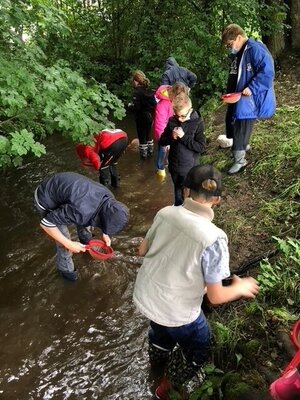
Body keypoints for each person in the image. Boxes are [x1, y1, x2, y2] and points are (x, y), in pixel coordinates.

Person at [133, 164, 259, 399]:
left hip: (147, 298)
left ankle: (156, 360)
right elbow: (215, 296)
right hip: (178, 311)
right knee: (201, 346)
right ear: (217, 200)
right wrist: (240, 286)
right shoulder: (214, 238)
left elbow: (142, 250)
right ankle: (165, 389)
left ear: (185, 191)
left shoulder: (165, 213)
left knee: (161, 332)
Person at [34, 172, 129, 281]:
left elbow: (96, 214)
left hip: (70, 191)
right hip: (45, 198)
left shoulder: (109, 198)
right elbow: (46, 223)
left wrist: (106, 233)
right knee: (64, 241)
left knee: (85, 219)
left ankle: (85, 241)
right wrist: (69, 244)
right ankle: (67, 273)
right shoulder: (81, 211)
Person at [221, 24, 276, 175]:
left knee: (242, 125)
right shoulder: (239, 53)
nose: (229, 48)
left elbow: (268, 72)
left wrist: (252, 88)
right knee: (232, 122)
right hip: (237, 96)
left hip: (248, 98)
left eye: (230, 44)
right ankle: (240, 148)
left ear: (239, 37)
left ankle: (240, 160)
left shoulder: (255, 49)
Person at [159, 94, 206, 206]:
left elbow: (201, 147)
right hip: (174, 165)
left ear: (190, 110)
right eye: (177, 115)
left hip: (190, 168)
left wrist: (183, 137)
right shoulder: (172, 120)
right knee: (177, 192)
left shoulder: (198, 122)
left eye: (183, 116)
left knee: (189, 197)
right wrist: (172, 137)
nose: (180, 119)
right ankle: (177, 210)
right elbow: (162, 141)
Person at [153, 83, 189, 180]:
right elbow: (159, 124)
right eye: (180, 97)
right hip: (163, 134)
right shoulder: (163, 105)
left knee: (172, 151)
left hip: (173, 130)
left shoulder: (175, 101)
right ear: (174, 94)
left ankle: (169, 165)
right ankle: (160, 170)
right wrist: (164, 140)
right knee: (162, 152)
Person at [131, 70, 156, 159]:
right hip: (150, 116)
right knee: (149, 135)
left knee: (142, 137)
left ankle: (143, 158)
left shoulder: (137, 92)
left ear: (135, 81)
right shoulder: (150, 91)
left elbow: (137, 107)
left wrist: (130, 106)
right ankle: (150, 153)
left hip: (141, 117)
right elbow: (154, 104)